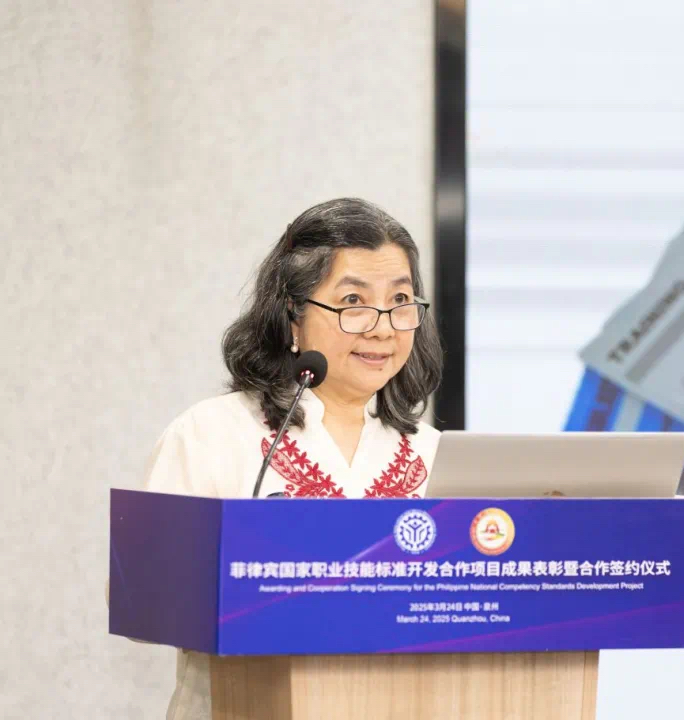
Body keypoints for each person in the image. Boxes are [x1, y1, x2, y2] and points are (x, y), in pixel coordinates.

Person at [118, 197, 444, 719]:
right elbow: (142, 595)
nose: (383, 327)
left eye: (400, 300)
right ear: (293, 317)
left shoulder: (433, 452)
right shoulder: (211, 433)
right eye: (353, 301)